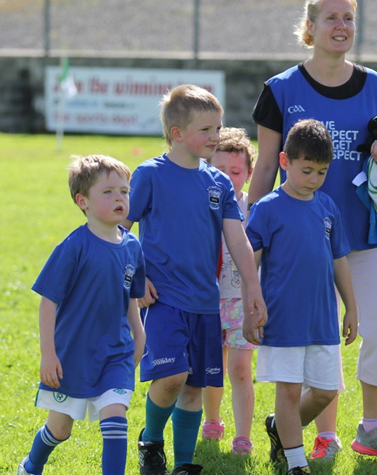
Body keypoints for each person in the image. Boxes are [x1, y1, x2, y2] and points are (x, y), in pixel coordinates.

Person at [248, 0, 377, 463]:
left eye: (349, 18)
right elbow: (265, 167)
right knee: (309, 339)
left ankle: (372, 429)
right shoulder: (280, 89)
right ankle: (309, 433)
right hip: (300, 236)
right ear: (310, 28)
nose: (341, 26)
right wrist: (245, 241)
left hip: (369, 228)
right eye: (331, 18)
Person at [122, 85, 266, 475]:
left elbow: (238, 240)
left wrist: (254, 291)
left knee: (193, 389)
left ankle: (184, 463)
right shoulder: (150, 174)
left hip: (208, 303)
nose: (215, 137)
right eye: (206, 129)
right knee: (172, 376)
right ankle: (151, 443)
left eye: (218, 128)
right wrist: (136, 274)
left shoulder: (217, 184)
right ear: (177, 134)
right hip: (165, 298)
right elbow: (120, 228)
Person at [18, 155, 147, 475]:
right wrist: (48, 355)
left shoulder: (132, 246)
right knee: (60, 429)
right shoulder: (74, 246)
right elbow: (48, 302)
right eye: (108, 192)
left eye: (124, 191)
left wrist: (140, 335)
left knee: (116, 419)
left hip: (116, 352)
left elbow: (131, 296)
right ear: (82, 201)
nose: (119, 198)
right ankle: (32, 465)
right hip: (72, 356)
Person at [244, 119, 358, 475]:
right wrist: (251, 306)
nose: (314, 179)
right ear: (284, 162)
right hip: (282, 318)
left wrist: (352, 307)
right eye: (307, 170)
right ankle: (296, 463)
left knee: (325, 392)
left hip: (322, 318)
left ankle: (281, 428)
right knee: (289, 392)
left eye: (322, 172)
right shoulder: (267, 208)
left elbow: (339, 259)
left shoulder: (327, 207)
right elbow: (250, 263)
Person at [201, 127, 257, 456]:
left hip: (241, 301)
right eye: (218, 170)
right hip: (207, 299)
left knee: (238, 368)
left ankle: (243, 436)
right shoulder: (201, 209)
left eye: (235, 172)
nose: (227, 178)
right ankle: (211, 420)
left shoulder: (254, 209)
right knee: (212, 366)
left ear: (249, 173)